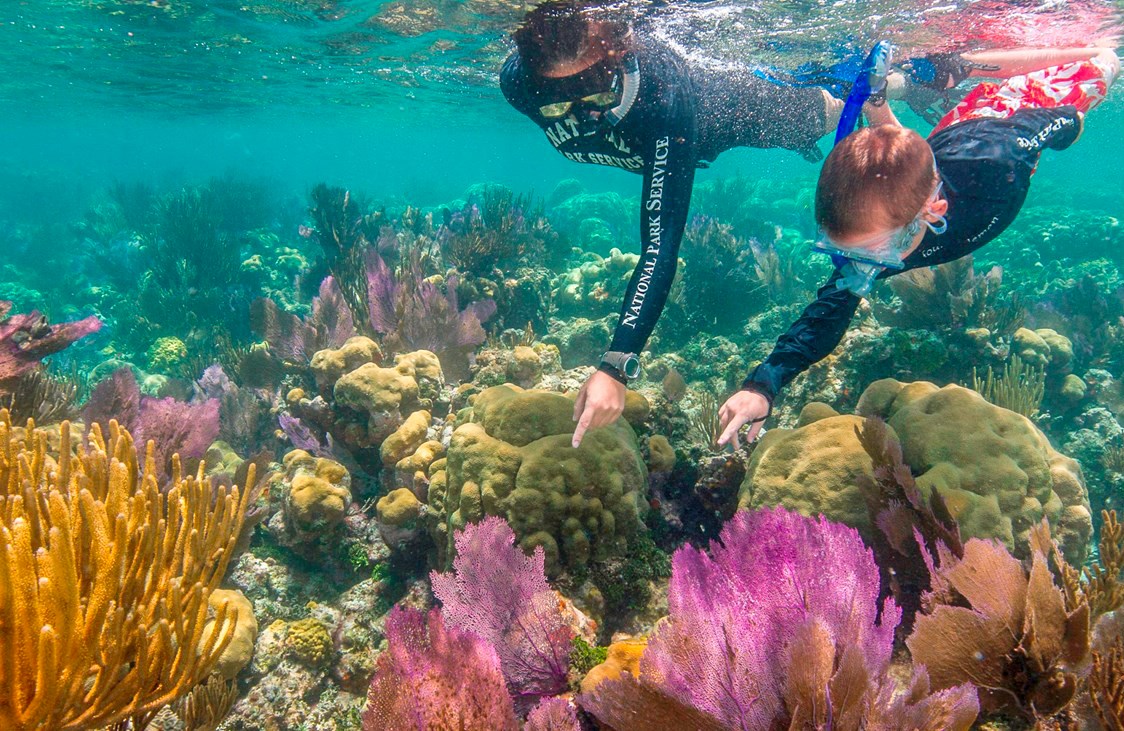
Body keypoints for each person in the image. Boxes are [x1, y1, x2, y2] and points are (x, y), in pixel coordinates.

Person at [717, 45, 1121, 448]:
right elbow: (826, 316)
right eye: (850, 252)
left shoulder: (1001, 162)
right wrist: (763, 385)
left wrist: (1070, 124)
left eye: (877, 249)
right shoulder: (878, 242)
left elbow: (1062, 122)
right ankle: (880, 97)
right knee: (915, 159)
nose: (865, 268)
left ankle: (946, 70)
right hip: (944, 141)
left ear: (935, 213)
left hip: (1005, 123)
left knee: (1106, 64)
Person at [501, 0, 845, 447]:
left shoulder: (662, 92)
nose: (582, 115)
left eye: (598, 95)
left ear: (618, 59)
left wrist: (615, 363)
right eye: (556, 106)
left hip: (720, 111)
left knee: (822, 112)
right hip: (657, 134)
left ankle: (901, 80)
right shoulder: (518, 85)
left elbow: (660, 244)